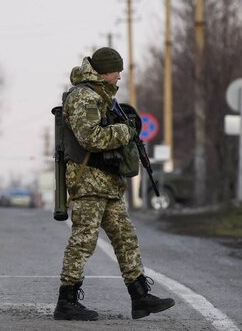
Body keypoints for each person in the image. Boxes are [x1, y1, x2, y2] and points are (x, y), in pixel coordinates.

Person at [54, 47, 175, 321]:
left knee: (125, 237)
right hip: (88, 181)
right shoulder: (84, 96)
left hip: (108, 182)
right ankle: (66, 300)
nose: (119, 76)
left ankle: (140, 297)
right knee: (83, 241)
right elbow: (90, 138)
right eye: (116, 71)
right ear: (105, 71)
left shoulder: (104, 96)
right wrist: (124, 131)